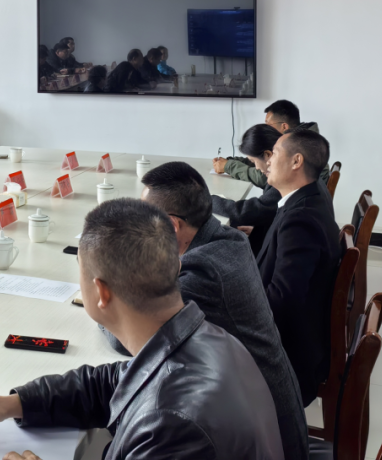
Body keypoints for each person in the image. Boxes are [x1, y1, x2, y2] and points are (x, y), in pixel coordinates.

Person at [0, 198, 284, 460]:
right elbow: (110, 383)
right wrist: (11, 404)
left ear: (101, 292)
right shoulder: (205, 337)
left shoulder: (170, 426)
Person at [112, 161, 309, 460]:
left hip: (267, 439)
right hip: (264, 409)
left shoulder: (202, 271)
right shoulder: (228, 239)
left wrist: (111, 285)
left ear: (172, 225)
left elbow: (130, 337)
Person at [257, 128, 340, 406]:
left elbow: (282, 301)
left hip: (288, 359)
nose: (268, 161)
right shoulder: (305, 199)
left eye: (274, 153)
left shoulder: (300, 220)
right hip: (296, 337)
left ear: (296, 161)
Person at [214, 99, 323, 188]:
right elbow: (262, 161)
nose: (265, 128)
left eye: (268, 125)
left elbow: (263, 178)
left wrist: (229, 166)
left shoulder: (298, 147)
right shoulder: (300, 139)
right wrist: (230, 161)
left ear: (284, 127)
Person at [213, 124, 283, 256]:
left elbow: (250, 210)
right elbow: (269, 213)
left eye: (254, 161)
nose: (256, 168)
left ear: (268, 155)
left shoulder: (283, 182)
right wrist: (258, 231)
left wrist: (207, 200)